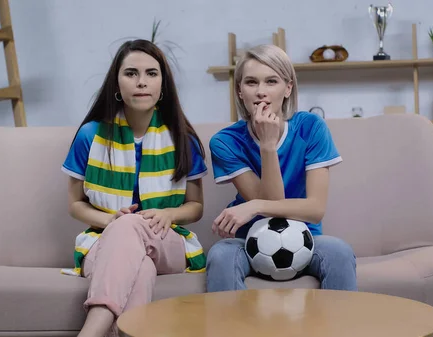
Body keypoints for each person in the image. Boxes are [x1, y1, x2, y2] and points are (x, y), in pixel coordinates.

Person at [60, 39, 208, 337]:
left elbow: (196, 206)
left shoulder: (182, 137)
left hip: (167, 239)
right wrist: (112, 221)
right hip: (103, 239)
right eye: (131, 73)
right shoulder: (90, 135)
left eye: (151, 73)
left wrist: (168, 214)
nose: (141, 82)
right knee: (140, 270)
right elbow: (75, 203)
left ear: (163, 84)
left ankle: (90, 331)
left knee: (132, 229)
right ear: (116, 82)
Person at [206, 44, 357, 292]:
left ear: (288, 88)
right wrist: (267, 145)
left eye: (271, 81)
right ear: (239, 91)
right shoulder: (224, 142)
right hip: (248, 239)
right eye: (251, 82)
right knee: (220, 256)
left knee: (339, 252)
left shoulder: (311, 128)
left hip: (305, 237)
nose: (261, 92)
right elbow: (272, 204)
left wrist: (253, 205)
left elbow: (315, 209)